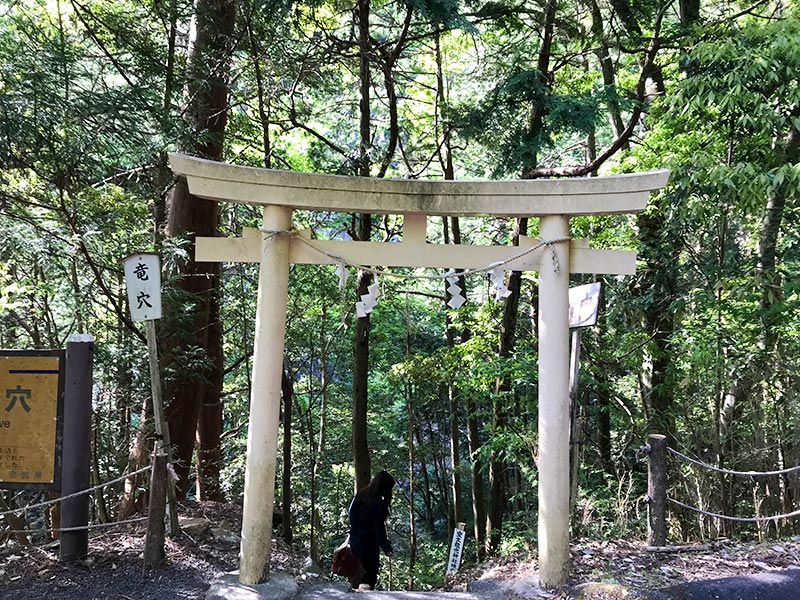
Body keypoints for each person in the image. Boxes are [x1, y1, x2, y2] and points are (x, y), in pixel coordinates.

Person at [348, 470, 395, 590]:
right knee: (370, 575)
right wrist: (387, 548)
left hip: (355, 542)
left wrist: (354, 534)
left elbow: (350, 514)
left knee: (360, 575)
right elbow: (379, 528)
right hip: (368, 546)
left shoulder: (360, 494)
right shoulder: (378, 504)